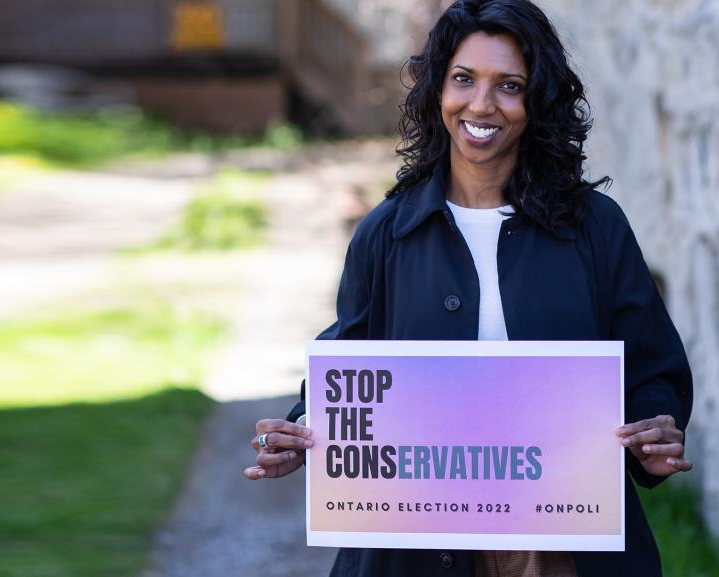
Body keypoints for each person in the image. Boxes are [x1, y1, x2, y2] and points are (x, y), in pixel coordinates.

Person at [244, 1, 694, 575]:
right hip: (417, 549)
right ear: (438, 90)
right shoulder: (387, 233)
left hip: (561, 548)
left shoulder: (595, 229)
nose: (482, 104)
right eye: (464, 79)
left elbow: (653, 368)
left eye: (509, 85)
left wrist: (656, 427)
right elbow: (352, 362)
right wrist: (303, 427)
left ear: (537, 102)